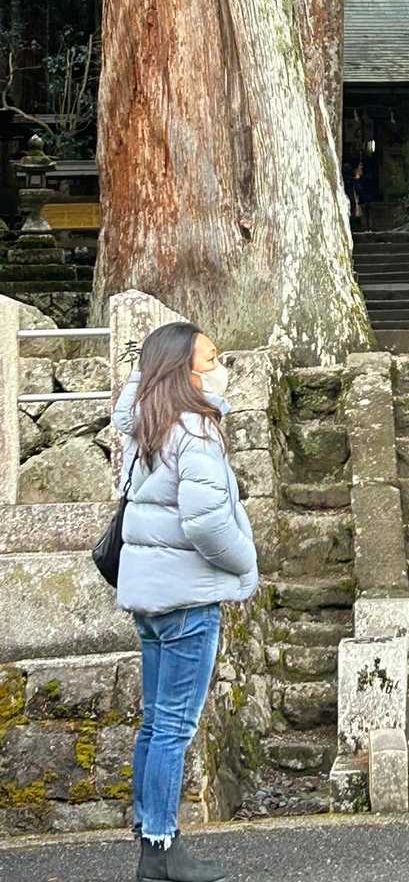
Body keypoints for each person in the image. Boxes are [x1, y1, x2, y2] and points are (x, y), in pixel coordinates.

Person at [112, 322, 258, 882]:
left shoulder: (145, 426)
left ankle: (151, 842)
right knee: (174, 727)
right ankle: (162, 844)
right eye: (211, 359)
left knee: (155, 724)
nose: (221, 368)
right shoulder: (195, 430)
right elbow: (206, 521)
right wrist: (245, 562)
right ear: (184, 370)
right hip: (189, 597)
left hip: (150, 596)